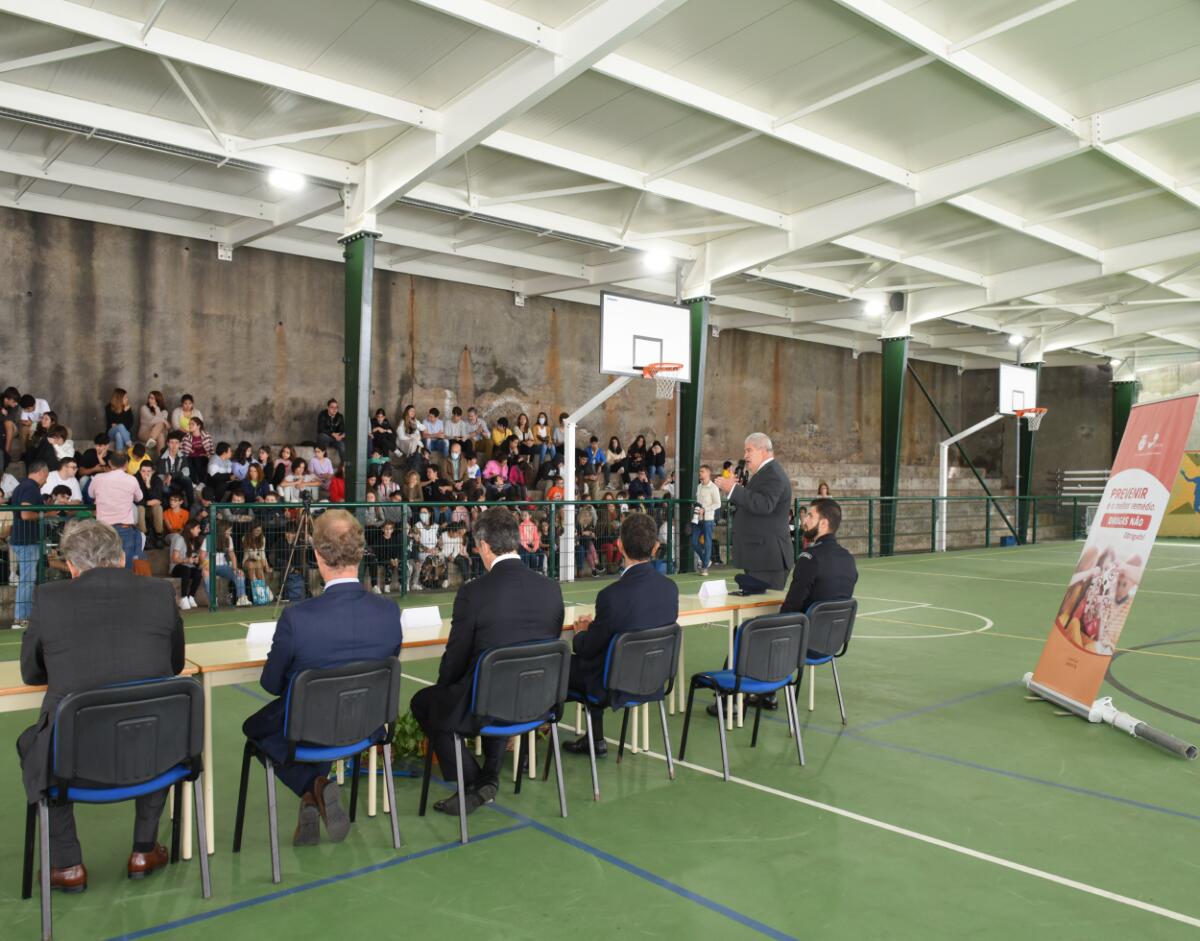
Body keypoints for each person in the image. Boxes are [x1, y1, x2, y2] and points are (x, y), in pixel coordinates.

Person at [17, 519, 184, 889]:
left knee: (35, 742)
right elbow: (174, 665)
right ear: (122, 557)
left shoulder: (49, 598)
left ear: (72, 567)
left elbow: (31, 672)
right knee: (158, 724)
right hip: (151, 751)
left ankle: (66, 864)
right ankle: (144, 848)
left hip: (73, 760)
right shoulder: (159, 594)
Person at [242, 510, 402, 845]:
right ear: (360, 552)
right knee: (328, 711)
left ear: (317, 554)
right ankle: (315, 791)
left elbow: (271, 684)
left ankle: (313, 787)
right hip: (366, 725)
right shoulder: (388, 612)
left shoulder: (298, 618)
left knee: (259, 728)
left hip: (312, 730)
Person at [410, 508, 564, 815]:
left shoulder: (474, 593)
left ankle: (476, 781)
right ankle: (489, 776)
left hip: (491, 701)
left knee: (426, 703)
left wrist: (445, 689)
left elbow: (455, 657)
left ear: (483, 546)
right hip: (538, 700)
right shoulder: (550, 588)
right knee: (503, 681)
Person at [563, 513, 679, 756]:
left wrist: (582, 633)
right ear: (656, 547)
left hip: (612, 684)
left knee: (562, 665)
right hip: (652, 678)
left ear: (619, 545)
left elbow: (586, 648)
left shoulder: (611, 596)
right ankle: (595, 739)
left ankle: (527, 741)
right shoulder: (669, 589)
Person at [713, 433, 793, 594]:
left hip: (767, 558)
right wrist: (736, 491)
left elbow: (764, 505)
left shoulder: (773, 474)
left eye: (749, 450)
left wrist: (734, 490)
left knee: (764, 612)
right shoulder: (765, 473)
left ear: (763, 451)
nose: (745, 456)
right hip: (761, 556)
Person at [10, 460, 49, 627]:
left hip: (21, 539)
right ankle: (20, 618)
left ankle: (23, 617)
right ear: (40, 472)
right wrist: (45, 514)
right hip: (27, 541)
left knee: (28, 579)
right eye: (46, 476)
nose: (46, 480)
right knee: (27, 580)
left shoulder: (21, 486)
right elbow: (26, 514)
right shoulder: (30, 487)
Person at [89, 451, 144, 568]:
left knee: (103, 562)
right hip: (124, 527)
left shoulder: (98, 478)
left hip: (103, 527)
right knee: (125, 564)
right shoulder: (131, 480)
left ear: (110, 463)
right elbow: (139, 498)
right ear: (126, 464)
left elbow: (90, 494)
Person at [168, 520, 205, 610]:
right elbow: (174, 558)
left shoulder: (194, 540)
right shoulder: (180, 539)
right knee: (186, 570)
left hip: (189, 566)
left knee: (198, 571)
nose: (199, 530)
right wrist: (186, 560)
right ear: (191, 529)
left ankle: (191, 596)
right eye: (198, 528)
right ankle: (183, 598)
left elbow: (193, 556)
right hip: (177, 567)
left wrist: (195, 560)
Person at [692, 464, 721, 575]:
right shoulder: (699, 486)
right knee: (694, 542)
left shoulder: (713, 488)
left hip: (708, 519)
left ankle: (704, 567)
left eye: (702, 471)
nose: (700, 473)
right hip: (697, 519)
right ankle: (706, 560)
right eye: (700, 471)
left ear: (708, 473)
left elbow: (718, 504)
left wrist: (705, 509)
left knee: (708, 543)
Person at [136, 461, 168, 549]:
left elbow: (158, 499)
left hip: (151, 508)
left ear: (152, 472)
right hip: (139, 508)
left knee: (158, 507)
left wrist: (148, 485)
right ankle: (144, 537)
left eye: (148, 471)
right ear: (139, 471)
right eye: (143, 471)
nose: (145, 474)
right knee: (140, 508)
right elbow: (134, 499)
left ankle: (159, 535)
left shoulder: (157, 480)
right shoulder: (134, 479)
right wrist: (146, 503)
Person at [157, 430, 193, 503]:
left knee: (188, 480)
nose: (174, 445)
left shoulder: (182, 457)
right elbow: (160, 475)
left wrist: (172, 475)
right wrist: (166, 479)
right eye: (171, 442)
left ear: (180, 444)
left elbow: (186, 472)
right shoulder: (162, 458)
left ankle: (191, 504)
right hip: (168, 482)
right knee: (164, 489)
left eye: (176, 443)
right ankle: (177, 499)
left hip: (179, 481)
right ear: (167, 443)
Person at [182, 417, 214, 485]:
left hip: (203, 457)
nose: (190, 426)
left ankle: (201, 482)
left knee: (198, 460)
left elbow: (211, 449)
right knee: (188, 462)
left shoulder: (206, 435)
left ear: (198, 426)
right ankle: (194, 483)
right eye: (189, 424)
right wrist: (190, 450)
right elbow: (184, 451)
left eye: (192, 424)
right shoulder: (186, 437)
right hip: (190, 458)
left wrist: (210, 457)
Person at [104, 387, 134, 453]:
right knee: (120, 426)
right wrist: (124, 412)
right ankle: (130, 445)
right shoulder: (109, 407)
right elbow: (111, 423)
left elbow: (129, 424)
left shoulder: (127, 408)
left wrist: (118, 424)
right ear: (119, 398)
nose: (127, 399)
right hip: (111, 433)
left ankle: (118, 454)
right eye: (125, 397)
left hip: (125, 433)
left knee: (119, 435)